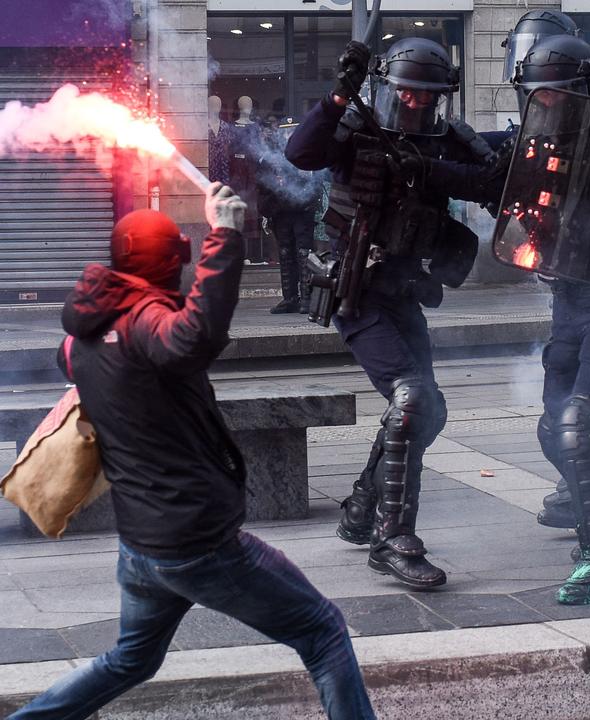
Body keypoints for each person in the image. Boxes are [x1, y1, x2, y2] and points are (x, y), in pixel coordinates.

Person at [8, 185, 376, 720]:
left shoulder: (82, 338)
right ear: (170, 263)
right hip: (196, 543)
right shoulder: (144, 325)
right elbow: (194, 337)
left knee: (130, 659)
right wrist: (224, 236)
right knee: (322, 631)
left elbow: (138, 350)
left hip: (142, 546)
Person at [286, 37, 498, 589]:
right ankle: (391, 538)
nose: (416, 105)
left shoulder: (446, 139)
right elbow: (300, 154)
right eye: (406, 93)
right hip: (355, 287)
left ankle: (360, 507)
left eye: (427, 97)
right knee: (413, 397)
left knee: (429, 409)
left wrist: (428, 168)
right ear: (388, 89)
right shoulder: (357, 132)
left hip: (404, 289)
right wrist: (339, 93)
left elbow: (493, 179)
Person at [480, 35, 590, 605]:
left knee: (582, 424)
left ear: (584, 89)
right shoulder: (539, 147)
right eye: (538, 96)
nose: (545, 105)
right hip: (569, 301)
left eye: (554, 94)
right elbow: (503, 190)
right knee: (555, 429)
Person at [261, 116, 322, 315]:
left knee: (303, 253)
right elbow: (264, 184)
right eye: (286, 130)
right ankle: (290, 298)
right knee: (286, 255)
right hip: (281, 212)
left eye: (293, 130)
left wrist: (309, 203)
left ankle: (306, 298)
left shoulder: (307, 151)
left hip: (302, 211)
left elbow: (315, 182)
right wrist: (267, 210)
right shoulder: (274, 155)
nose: (289, 134)